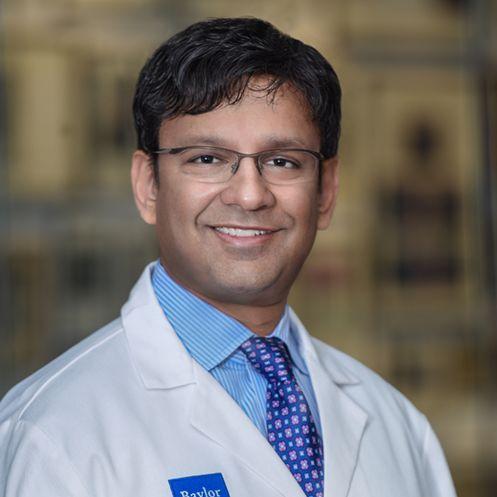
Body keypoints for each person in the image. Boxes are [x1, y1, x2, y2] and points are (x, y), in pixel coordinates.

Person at [0, 17, 457, 497]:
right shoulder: (52, 435)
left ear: (326, 192)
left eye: (283, 162)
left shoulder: (399, 427)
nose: (250, 195)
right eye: (207, 159)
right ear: (148, 184)